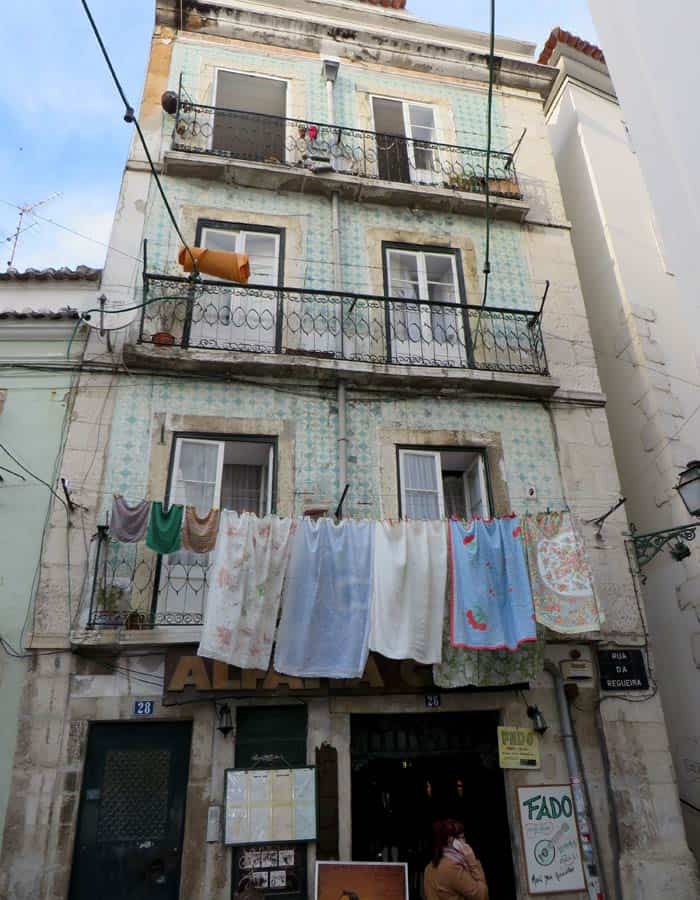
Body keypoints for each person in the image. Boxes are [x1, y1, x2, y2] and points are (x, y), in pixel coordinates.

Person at [423, 819, 489, 900]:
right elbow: (482, 895)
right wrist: (473, 861)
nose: (465, 842)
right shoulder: (452, 867)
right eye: (462, 837)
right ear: (451, 840)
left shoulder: (429, 868)